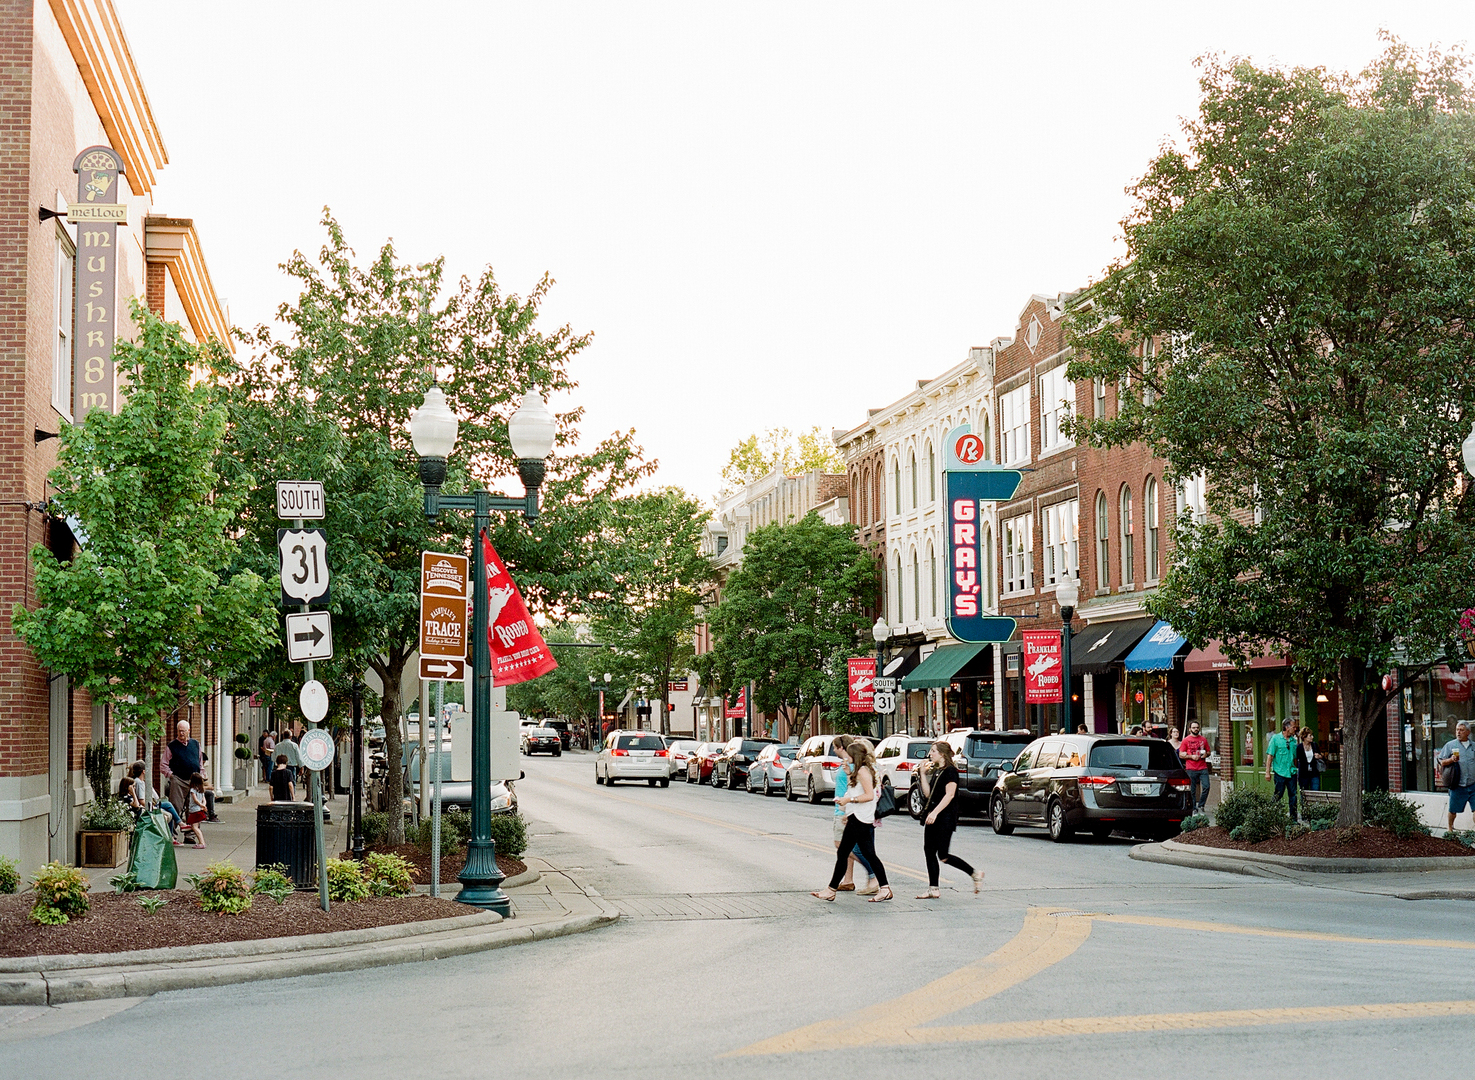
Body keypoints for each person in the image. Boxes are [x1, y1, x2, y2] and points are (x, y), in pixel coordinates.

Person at [812, 742, 892, 903]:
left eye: (848, 755)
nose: (844, 757)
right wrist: (847, 809)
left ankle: (831, 890)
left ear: (854, 756)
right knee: (868, 853)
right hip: (857, 816)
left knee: (843, 852)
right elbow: (856, 790)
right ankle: (885, 888)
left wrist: (849, 800)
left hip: (861, 818)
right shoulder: (858, 771)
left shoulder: (863, 771)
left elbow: (869, 795)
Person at [914, 741, 983, 899]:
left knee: (943, 855)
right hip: (934, 815)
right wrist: (922, 774)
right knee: (929, 851)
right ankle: (933, 888)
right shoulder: (938, 771)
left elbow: (950, 795)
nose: (930, 754)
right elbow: (928, 794)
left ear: (942, 754)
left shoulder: (951, 771)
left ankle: (974, 873)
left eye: (933, 751)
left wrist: (935, 813)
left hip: (945, 817)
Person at [830, 735, 876, 894]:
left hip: (852, 811)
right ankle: (847, 880)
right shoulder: (850, 766)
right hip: (849, 810)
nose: (834, 750)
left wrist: (848, 802)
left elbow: (867, 793)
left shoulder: (860, 769)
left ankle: (874, 875)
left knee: (847, 848)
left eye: (835, 747)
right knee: (849, 849)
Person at [163, 720, 203, 825]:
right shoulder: (172, 746)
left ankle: (190, 834)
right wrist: (171, 776)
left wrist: (202, 774)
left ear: (189, 731)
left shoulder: (195, 744)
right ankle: (173, 834)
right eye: (179, 731)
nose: (181, 733)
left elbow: (200, 761)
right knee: (176, 806)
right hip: (178, 780)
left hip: (194, 781)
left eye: (183, 731)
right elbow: (163, 764)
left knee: (193, 809)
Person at [1438, 722, 1475, 831]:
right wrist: (1450, 760)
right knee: (1453, 810)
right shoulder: (1450, 745)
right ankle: (1450, 828)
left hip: (1473, 785)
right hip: (1457, 785)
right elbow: (1441, 761)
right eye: (1457, 730)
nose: (1458, 732)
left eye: (1461, 730)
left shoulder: (1473, 746)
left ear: (1468, 732)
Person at [1264, 717, 1300, 819]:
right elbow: (1270, 756)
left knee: (1293, 796)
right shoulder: (1275, 739)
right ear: (1287, 727)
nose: (1295, 729)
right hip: (1280, 772)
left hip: (1291, 772)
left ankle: (1293, 819)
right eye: (1293, 727)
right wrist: (1267, 772)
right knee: (1278, 795)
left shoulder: (1293, 741)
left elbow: (1295, 758)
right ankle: (1272, 816)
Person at [1178, 722, 1212, 813]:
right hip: (1191, 768)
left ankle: (1201, 805)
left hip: (1203, 767)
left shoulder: (1203, 739)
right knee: (1191, 790)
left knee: (1206, 786)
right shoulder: (1186, 740)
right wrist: (1191, 757)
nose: (1195, 729)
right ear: (1189, 729)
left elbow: (1209, 752)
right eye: (1193, 728)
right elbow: (1181, 754)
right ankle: (1193, 808)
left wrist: (1206, 754)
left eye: (1197, 727)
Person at [176, 773, 207, 848]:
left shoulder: (193, 790)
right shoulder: (201, 790)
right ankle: (184, 827)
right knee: (193, 826)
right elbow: (204, 800)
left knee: (195, 827)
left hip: (194, 810)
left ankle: (201, 842)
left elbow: (195, 800)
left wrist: (201, 805)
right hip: (199, 810)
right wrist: (203, 805)